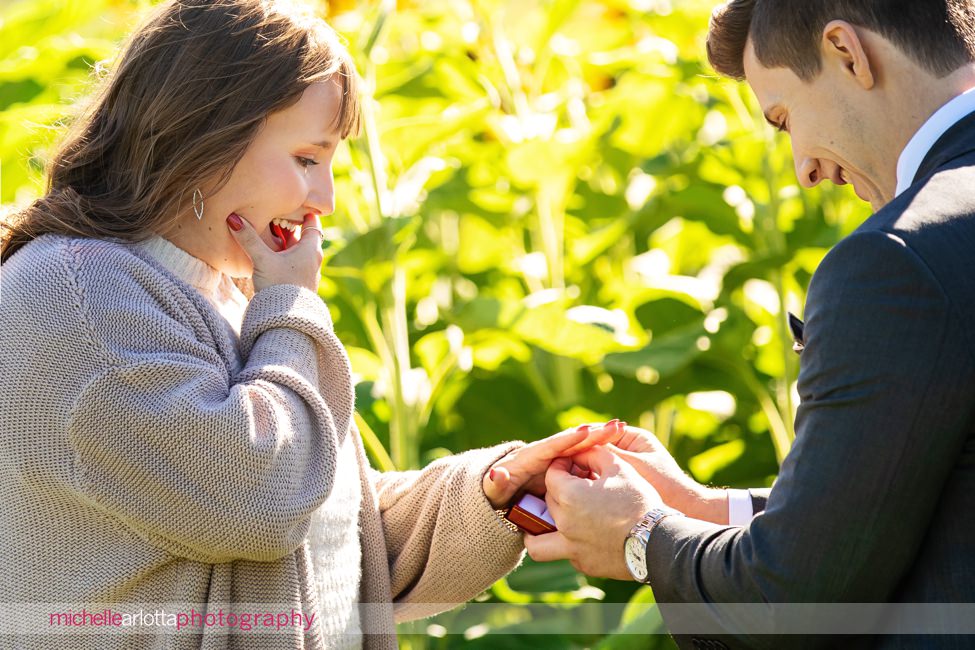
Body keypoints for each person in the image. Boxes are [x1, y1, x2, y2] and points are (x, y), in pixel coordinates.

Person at [0, 1, 623, 648]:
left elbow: (326, 521)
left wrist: (489, 491)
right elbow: (258, 502)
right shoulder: (73, 297)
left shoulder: (224, 293)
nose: (323, 199)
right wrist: (291, 306)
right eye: (305, 158)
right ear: (202, 135)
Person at [525, 1, 975, 648]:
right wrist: (708, 512)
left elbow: (789, 601)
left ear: (846, 53)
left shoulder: (896, 261)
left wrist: (639, 538)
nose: (804, 169)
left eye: (784, 117)